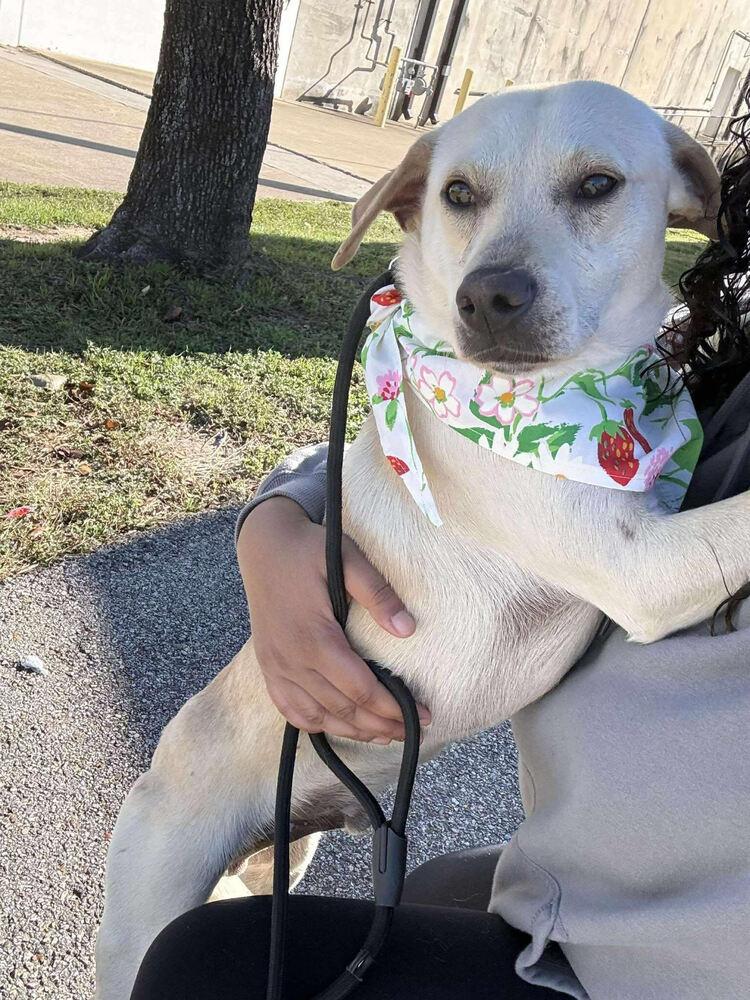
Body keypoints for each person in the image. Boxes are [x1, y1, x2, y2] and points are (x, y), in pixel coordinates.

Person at [130, 112, 750, 1000]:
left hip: (654, 948)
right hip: (247, 775)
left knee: (219, 962)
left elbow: (644, 582)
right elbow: (397, 451)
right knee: (177, 962)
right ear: (413, 208)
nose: (500, 271)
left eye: (593, 189)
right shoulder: (636, 387)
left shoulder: (610, 396)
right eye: (463, 197)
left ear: (685, 199)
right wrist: (275, 523)